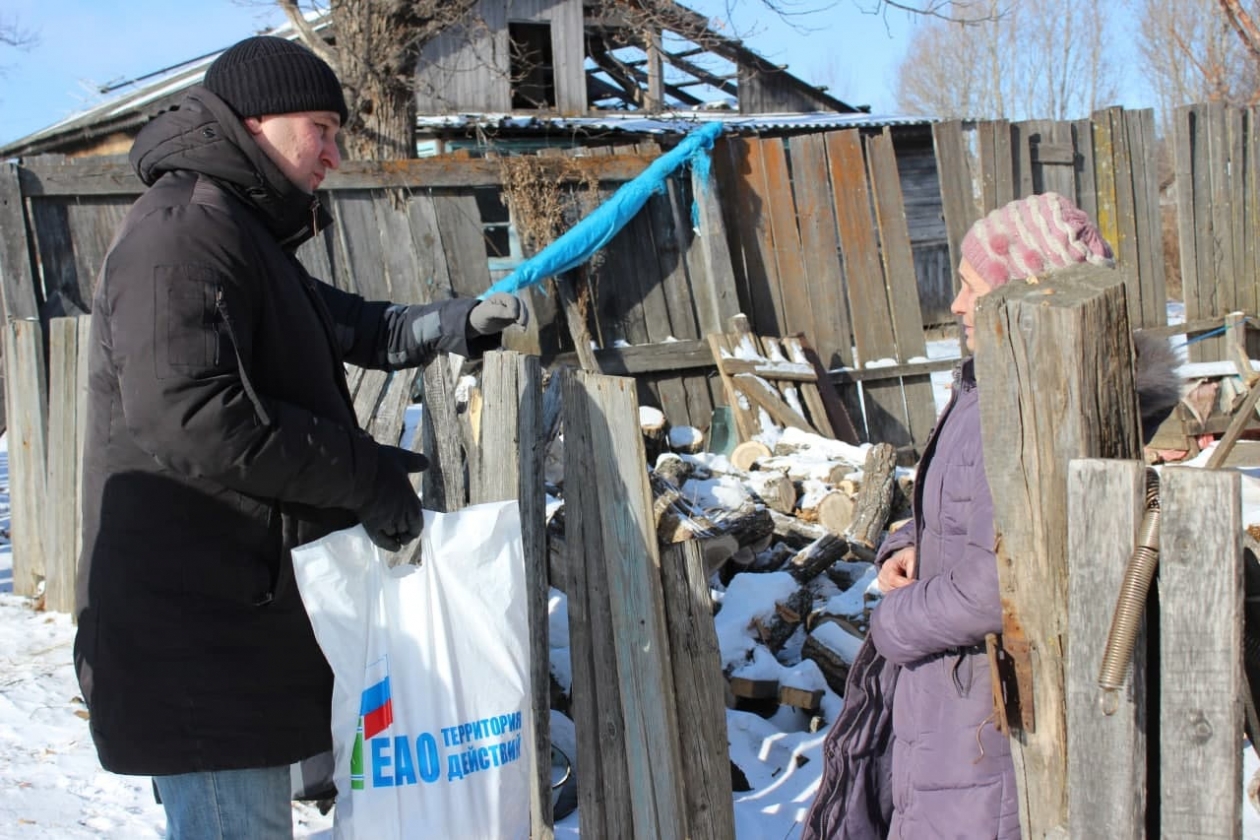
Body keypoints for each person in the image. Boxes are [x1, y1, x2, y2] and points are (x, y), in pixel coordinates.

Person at [72, 35, 527, 840]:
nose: (334, 152)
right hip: (198, 632)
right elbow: (193, 415)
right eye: (320, 126)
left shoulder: (237, 233)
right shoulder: (184, 232)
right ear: (256, 122)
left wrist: (457, 322)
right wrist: (364, 475)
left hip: (231, 614)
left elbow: (343, 322)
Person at [801, 192, 1181, 839]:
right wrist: (907, 546)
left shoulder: (1038, 409)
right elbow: (958, 518)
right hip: (951, 702)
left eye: (971, 286)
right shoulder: (987, 389)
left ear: (1020, 295)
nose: (953, 305)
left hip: (990, 708)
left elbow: (1010, 581)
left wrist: (895, 621)